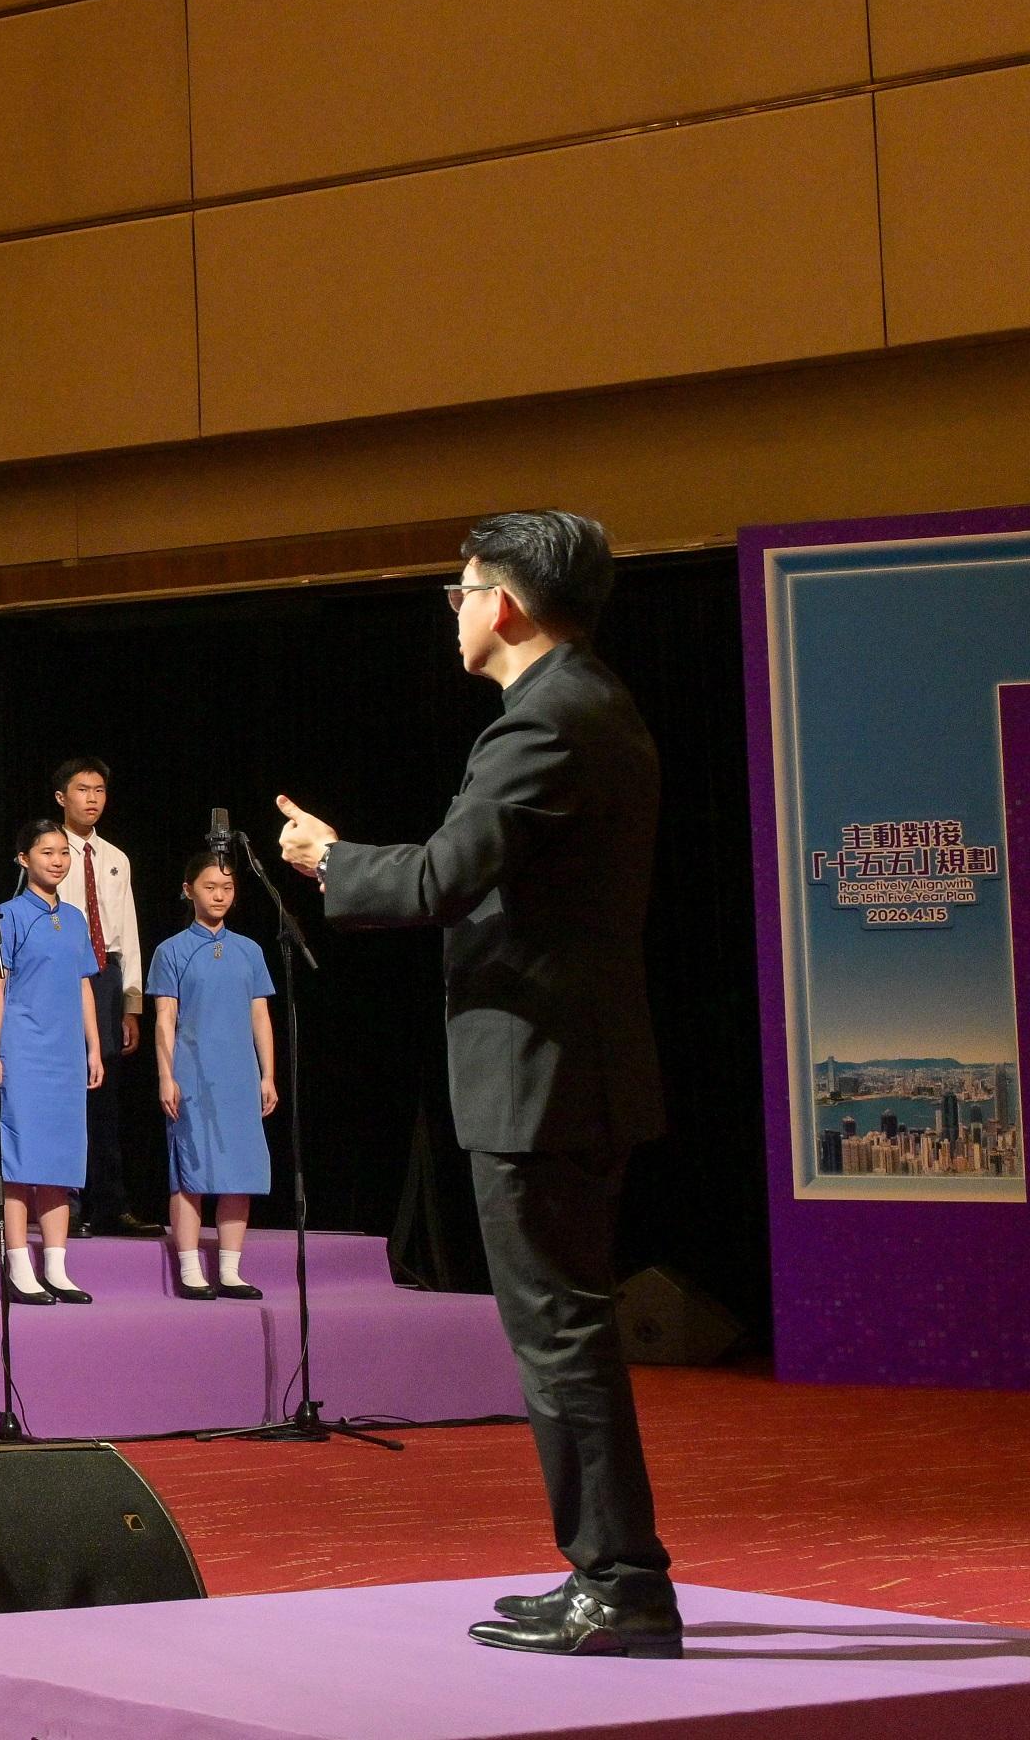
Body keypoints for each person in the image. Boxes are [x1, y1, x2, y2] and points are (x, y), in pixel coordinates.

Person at [279, 510, 676, 1657]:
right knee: (566, 1329)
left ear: (500, 604)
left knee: (558, 1333)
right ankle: (611, 1569)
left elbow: (444, 877)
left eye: (456, 591)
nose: (451, 610)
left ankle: (620, 1580)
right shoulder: (588, 704)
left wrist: (329, 861)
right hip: (569, 1065)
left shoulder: (545, 721)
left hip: (544, 1071)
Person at [152, 850, 277, 1302]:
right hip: (193, 1073)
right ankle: (189, 1269)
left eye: (227, 888)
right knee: (191, 1171)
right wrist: (166, 1075)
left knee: (239, 1171)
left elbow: (260, 1016)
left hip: (239, 1074)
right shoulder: (172, 950)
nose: (219, 895)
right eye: (210, 887)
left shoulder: (250, 950)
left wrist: (268, 1075)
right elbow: (165, 1018)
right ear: (189, 891)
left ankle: (230, 1270)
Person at [0, 816, 103, 1306]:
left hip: (65, 1053)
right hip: (23, 1047)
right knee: (20, 1161)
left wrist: (94, 1046)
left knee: (60, 1159)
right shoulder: (8, 914)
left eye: (63, 853)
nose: (57, 861)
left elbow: (84, 984)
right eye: (46, 853)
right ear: (23, 859)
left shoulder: (75, 918)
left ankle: (56, 1265)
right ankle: (19, 1266)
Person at [54, 755, 151, 1234]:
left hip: (106, 974)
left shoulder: (115, 859)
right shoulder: (47, 851)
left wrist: (132, 1000)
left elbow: (127, 931)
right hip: (61, 974)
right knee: (65, 1089)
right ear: (61, 798)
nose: (91, 799)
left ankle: (109, 1204)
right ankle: (65, 1203)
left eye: (99, 791)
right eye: (81, 790)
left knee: (104, 1095)